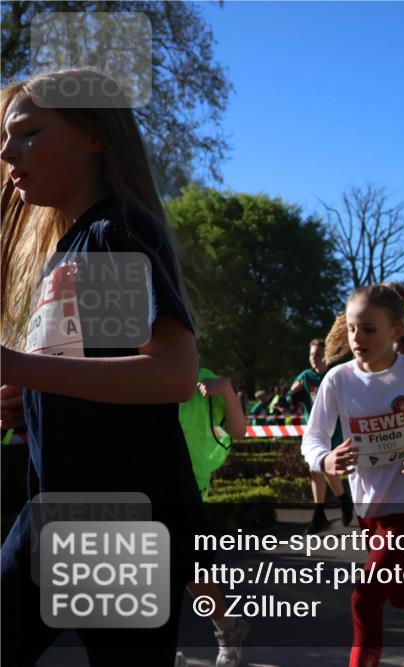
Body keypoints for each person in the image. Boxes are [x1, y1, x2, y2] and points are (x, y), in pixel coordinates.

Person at [0, 69, 203, 665]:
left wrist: (22, 366)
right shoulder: (73, 247)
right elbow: (106, 381)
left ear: (95, 136)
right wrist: (28, 397)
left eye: (29, 132)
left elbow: (169, 375)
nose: (7, 151)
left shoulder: (113, 232)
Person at [300, 283, 404, 667]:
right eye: (354, 328)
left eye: (369, 329)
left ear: (396, 332)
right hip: (367, 504)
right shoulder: (338, 379)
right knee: (395, 588)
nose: (358, 338)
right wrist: (325, 460)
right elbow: (313, 438)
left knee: (366, 596)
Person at [178, 370, 251, 667]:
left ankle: (228, 628)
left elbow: (238, 431)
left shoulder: (202, 379)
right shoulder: (133, 372)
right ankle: (227, 627)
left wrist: (227, 390)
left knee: (190, 573)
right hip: (139, 482)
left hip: (187, 485)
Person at [289, 338, 353, 533]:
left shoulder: (336, 374)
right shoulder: (305, 376)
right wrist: (293, 393)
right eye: (311, 354)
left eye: (317, 354)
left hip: (336, 429)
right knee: (316, 468)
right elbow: (290, 400)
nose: (313, 358)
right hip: (315, 430)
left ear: (326, 354)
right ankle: (324, 511)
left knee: (326, 468)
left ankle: (342, 501)